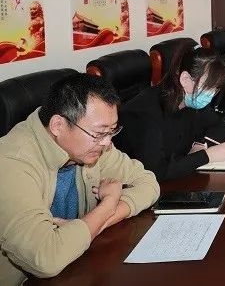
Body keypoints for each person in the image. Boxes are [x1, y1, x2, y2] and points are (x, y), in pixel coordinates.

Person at [0, 74, 159, 285]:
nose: (107, 143)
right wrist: (108, 204)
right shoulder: (11, 162)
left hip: (76, 266)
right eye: (99, 133)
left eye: (112, 131)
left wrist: (100, 220)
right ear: (58, 125)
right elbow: (46, 258)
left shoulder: (92, 147)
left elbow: (148, 182)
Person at [114, 46, 225, 181]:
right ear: (185, 79)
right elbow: (155, 171)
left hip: (178, 179)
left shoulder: (192, 100)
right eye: (208, 87)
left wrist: (202, 144)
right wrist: (207, 156)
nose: (211, 95)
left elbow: (221, 125)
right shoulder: (144, 115)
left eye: (215, 89)